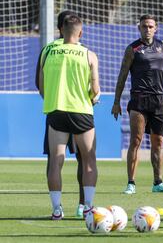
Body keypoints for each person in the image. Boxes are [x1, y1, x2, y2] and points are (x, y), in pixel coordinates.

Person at [39, 14, 100, 220]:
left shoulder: (47, 51)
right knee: (89, 160)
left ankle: (57, 209)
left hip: (56, 110)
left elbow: (41, 85)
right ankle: (88, 207)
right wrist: (94, 97)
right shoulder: (88, 54)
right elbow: (95, 89)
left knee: (56, 161)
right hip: (81, 111)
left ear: (61, 30)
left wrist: (54, 98)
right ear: (80, 32)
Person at [111, 14, 163, 194]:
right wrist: (116, 102)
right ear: (138, 28)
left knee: (158, 142)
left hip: (158, 100)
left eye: (150, 26)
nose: (147, 29)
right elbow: (123, 75)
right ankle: (131, 183)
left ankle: (158, 182)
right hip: (139, 100)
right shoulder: (132, 49)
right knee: (136, 140)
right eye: (144, 26)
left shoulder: (162, 46)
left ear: (156, 28)